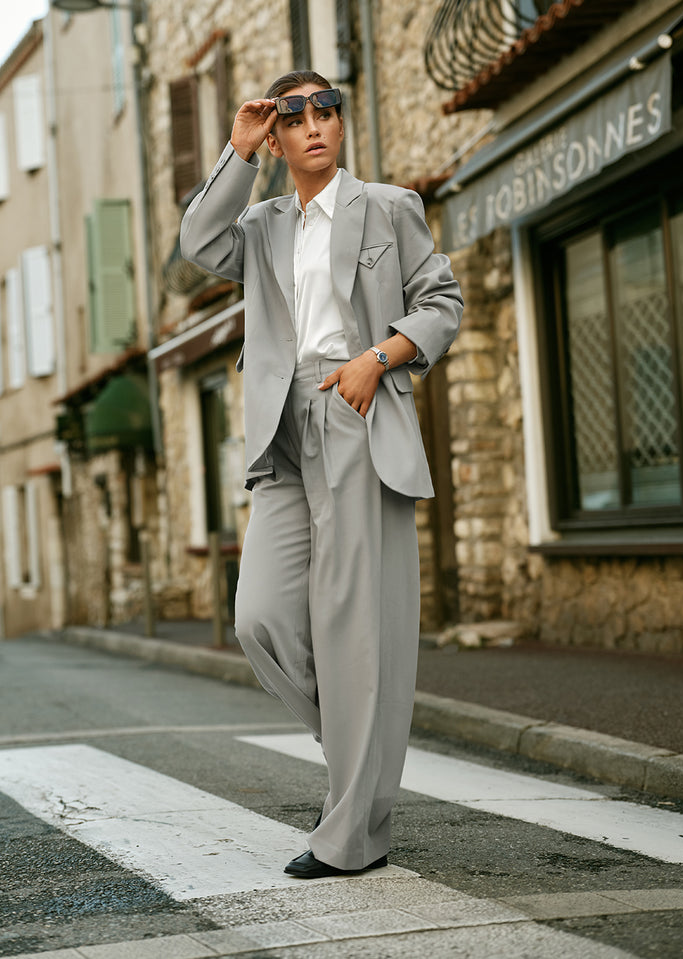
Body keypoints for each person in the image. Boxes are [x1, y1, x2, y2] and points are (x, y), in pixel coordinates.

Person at [180, 70, 463, 879]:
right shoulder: (262, 223)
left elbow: (440, 303)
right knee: (261, 617)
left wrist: (378, 357)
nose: (313, 125)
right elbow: (198, 244)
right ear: (276, 136)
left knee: (353, 631)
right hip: (281, 431)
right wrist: (237, 152)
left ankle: (351, 839)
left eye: (326, 110)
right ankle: (356, 747)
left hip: (358, 410)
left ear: (341, 122)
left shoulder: (389, 206)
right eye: (294, 116)